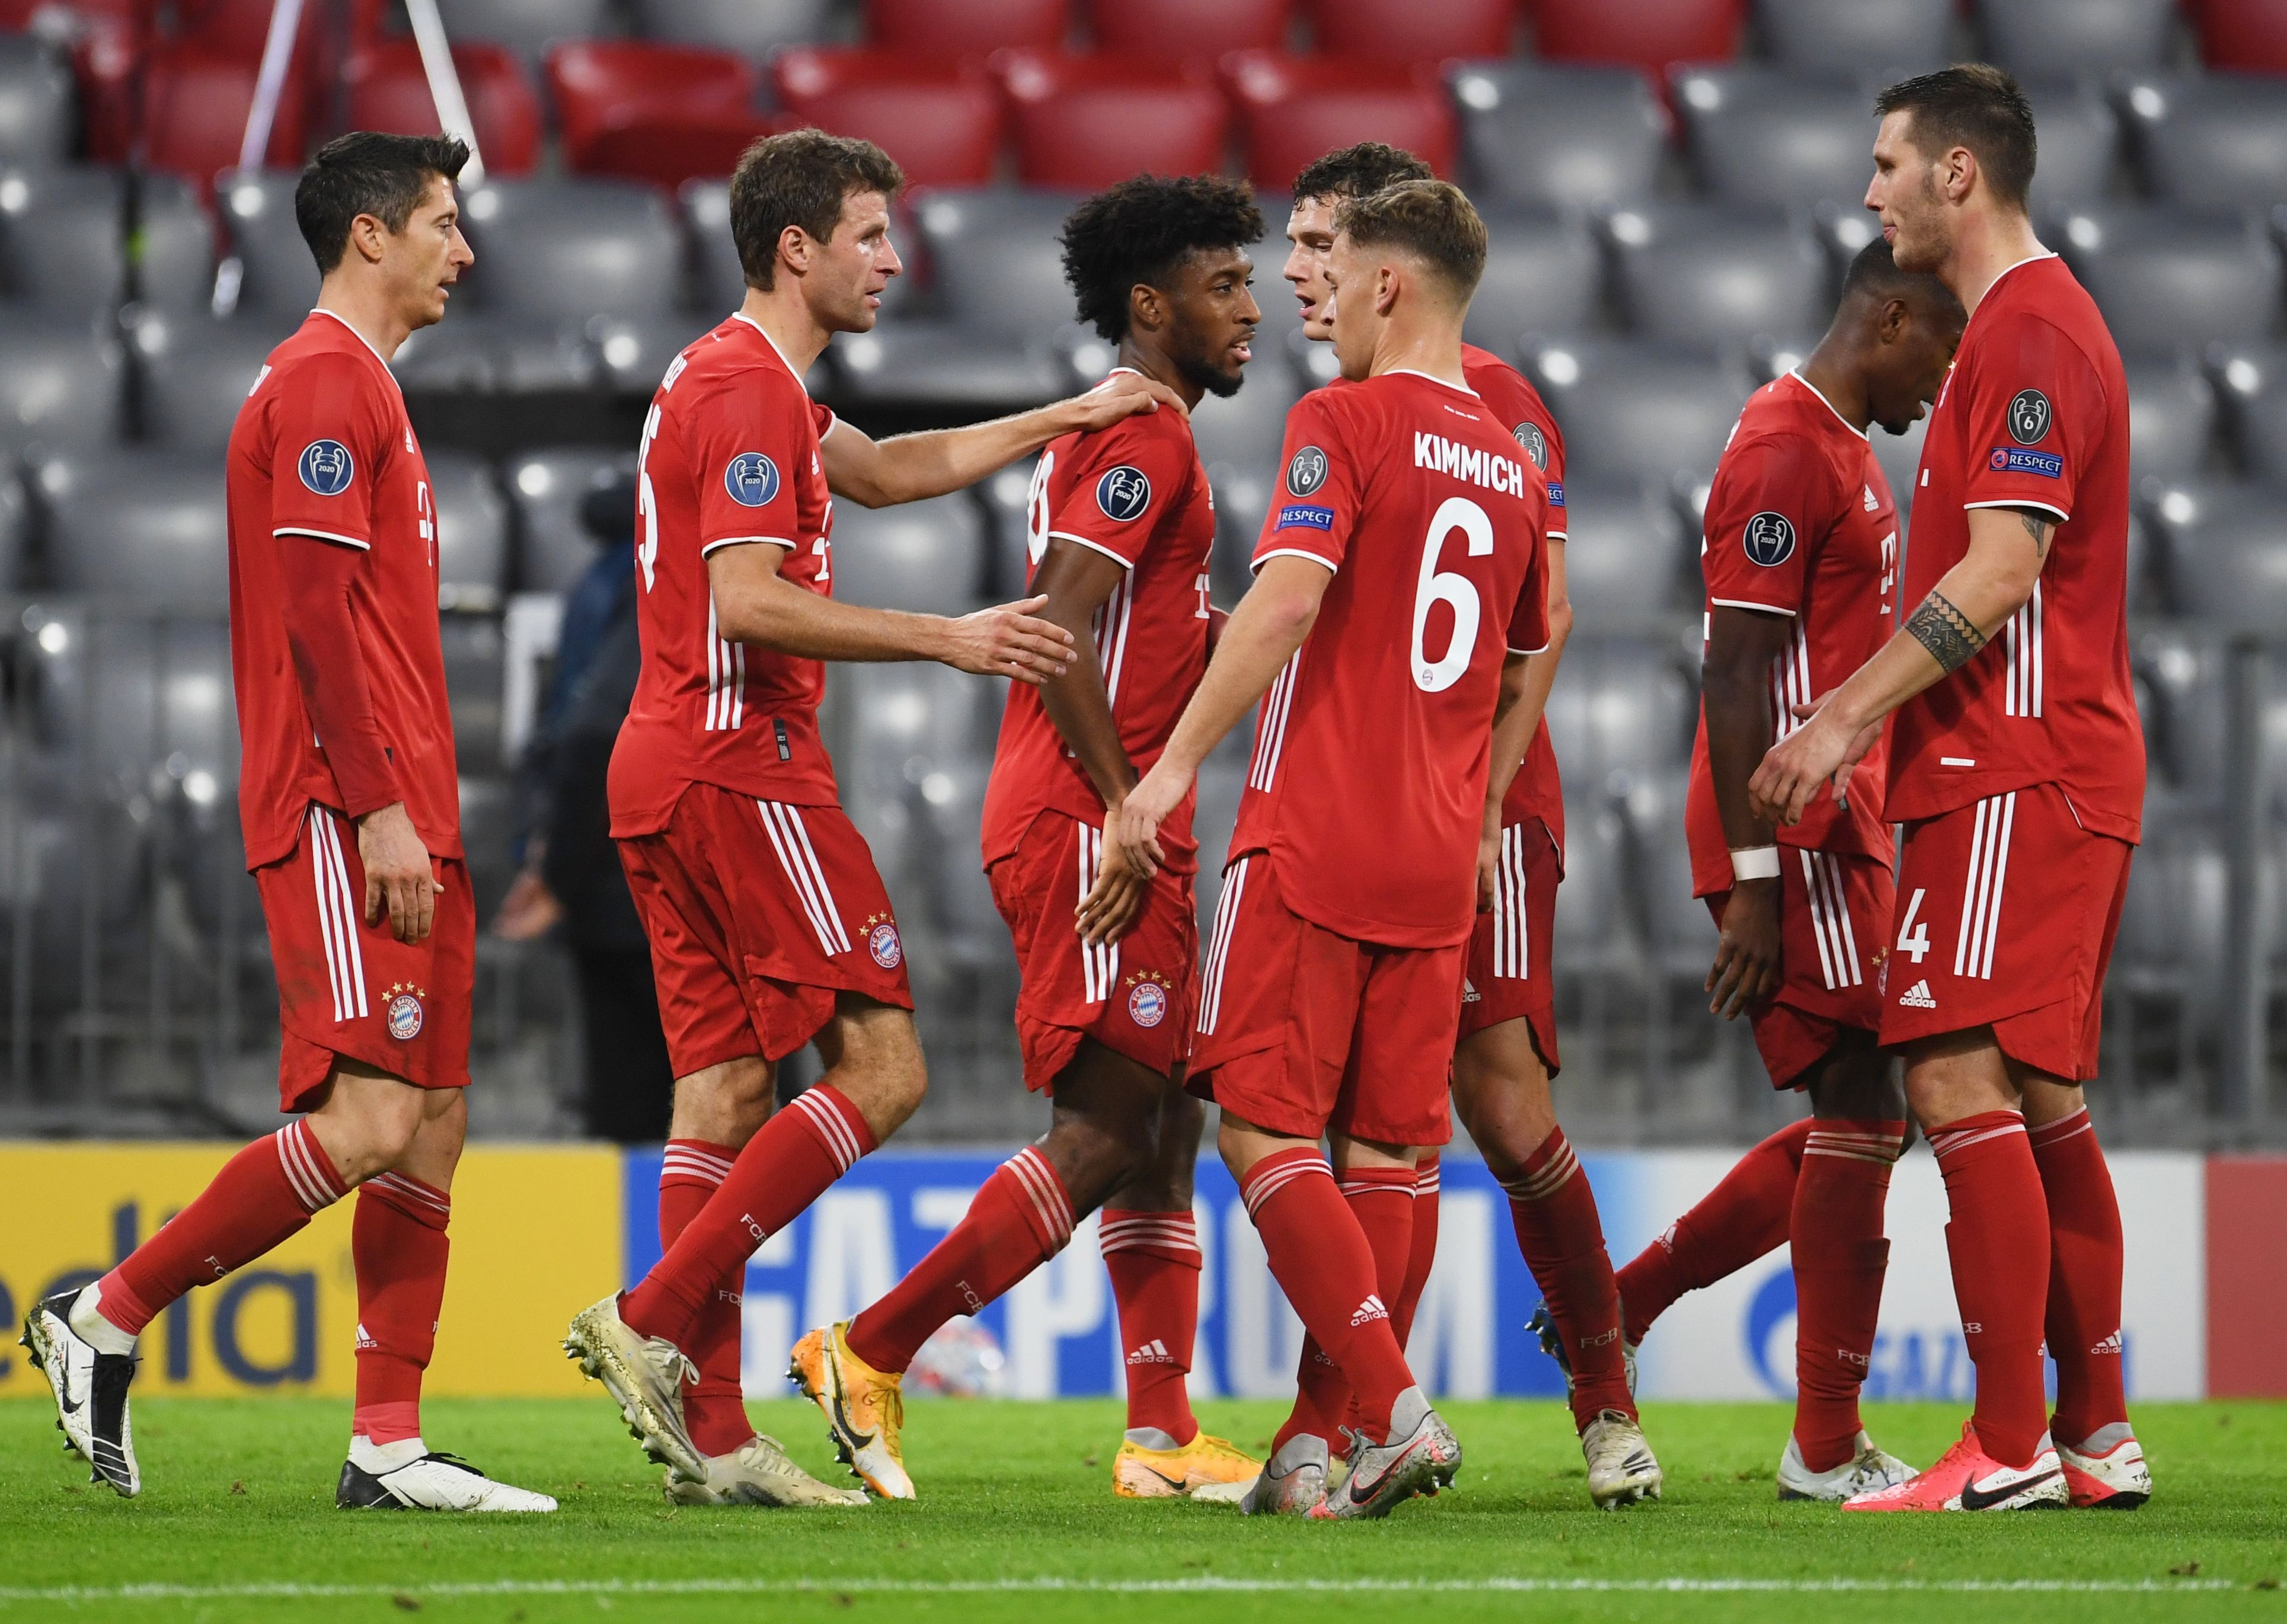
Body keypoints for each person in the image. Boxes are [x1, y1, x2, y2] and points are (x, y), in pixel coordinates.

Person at [560, 129, 1184, 1508]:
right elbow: (748, 597)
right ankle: (653, 1314)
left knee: (723, 1088)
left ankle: (713, 1436)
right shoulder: (742, 389)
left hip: (667, 765)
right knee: (886, 1066)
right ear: (798, 247)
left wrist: (1057, 418)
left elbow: (891, 470)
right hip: (740, 760)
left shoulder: (749, 382)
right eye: (871, 234)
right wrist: (945, 637)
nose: (895, 259)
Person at [20, 132, 553, 1513]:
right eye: (442, 221)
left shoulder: (367, 387)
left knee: (431, 1116)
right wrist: (374, 806)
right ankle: (105, 1313)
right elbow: (315, 613)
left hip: (407, 810)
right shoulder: (324, 381)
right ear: (369, 235)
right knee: (371, 1117)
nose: (465, 248)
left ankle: (388, 1443)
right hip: (341, 806)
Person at [790, 175, 1266, 1502]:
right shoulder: (1146, 439)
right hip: (1079, 810)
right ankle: (869, 1349)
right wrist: (1129, 800)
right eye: (1224, 286)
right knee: (1110, 1122)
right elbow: (1057, 627)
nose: (1250, 310)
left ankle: (1163, 1434)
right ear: (1150, 304)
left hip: (1088, 801)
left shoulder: (1145, 433)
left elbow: (1134, 630)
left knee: (1157, 1116)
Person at [1103, 179, 1551, 1520]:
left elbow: (1292, 595)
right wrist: (1478, 816)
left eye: (1334, 271)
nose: (1318, 295)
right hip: (1435, 856)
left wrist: (1172, 762)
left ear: (1391, 288)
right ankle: (1316, 1441)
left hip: (1313, 833)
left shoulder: (1341, 421)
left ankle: (1392, 1405)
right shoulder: (1515, 462)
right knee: (1389, 1157)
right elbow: (1530, 650)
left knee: (1257, 1128)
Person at [1751, 65, 2149, 1513]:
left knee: (1952, 1069)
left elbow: (2000, 569)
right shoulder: (2031, 328)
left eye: (1887, 166)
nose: (1870, 194)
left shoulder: (2030, 330)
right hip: (2041, 761)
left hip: (2011, 765)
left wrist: (1841, 722)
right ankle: (2095, 1432)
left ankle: (2005, 1440)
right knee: (2042, 1091)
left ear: (1957, 178)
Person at [1272, 142, 1657, 1511]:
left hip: (1473, 802)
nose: (1299, 274)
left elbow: (1542, 625)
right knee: (1345, 1124)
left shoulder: (1489, 404)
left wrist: (1486, 787)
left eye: (1320, 245)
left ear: (1389, 265)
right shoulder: (1353, 410)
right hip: (1389, 802)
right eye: (1297, 245)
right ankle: (1329, 1430)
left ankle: (1604, 1403)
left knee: (1494, 1106)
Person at [1614, 240, 1965, 1502]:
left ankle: (1631, 1303)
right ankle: (1823, 1444)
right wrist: (1756, 879)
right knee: (1870, 1104)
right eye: (1940, 351)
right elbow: (1734, 668)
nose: (1943, 387)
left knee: (1870, 1114)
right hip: (1791, 823)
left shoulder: (1838, 447)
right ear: (1886, 318)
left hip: (1831, 816)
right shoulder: (1780, 445)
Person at [494, 467, 678, 1143]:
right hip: (654, 879)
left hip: (609, 881)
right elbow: (600, 732)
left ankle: (658, 1243)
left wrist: (557, 866)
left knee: (631, 1096)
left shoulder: (599, 579)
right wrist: (559, 873)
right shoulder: (663, 584)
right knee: (705, 1102)